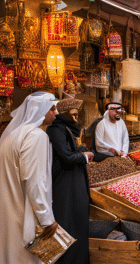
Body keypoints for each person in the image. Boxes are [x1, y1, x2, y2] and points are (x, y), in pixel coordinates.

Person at [0, 92, 59, 263]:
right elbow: (35, 181)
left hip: (8, 210)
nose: (55, 113)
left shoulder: (12, 136)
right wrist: (46, 218)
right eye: (52, 109)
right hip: (24, 212)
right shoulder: (35, 136)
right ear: (40, 110)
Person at [47, 98, 92, 264]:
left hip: (73, 183)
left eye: (77, 115)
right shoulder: (56, 130)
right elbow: (66, 157)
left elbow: (68, 152)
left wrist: (80, 150)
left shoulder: (65, 130)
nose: (75, 119)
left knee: (77, 223)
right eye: (72, 115)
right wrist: (84, 156)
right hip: (65, 185)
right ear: (64, 115)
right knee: (68, 225)